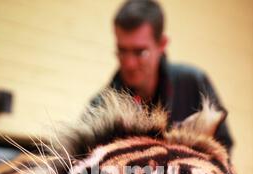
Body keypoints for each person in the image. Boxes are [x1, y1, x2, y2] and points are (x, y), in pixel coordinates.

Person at [93, 0, 233, 151]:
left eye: (140, 52)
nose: (129, 63)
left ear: (162, 44)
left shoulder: (193, 83)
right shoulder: (100, 106)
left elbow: (223, 147)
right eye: (122, 50)